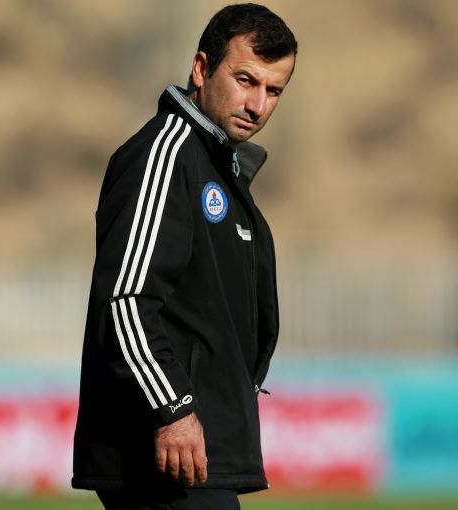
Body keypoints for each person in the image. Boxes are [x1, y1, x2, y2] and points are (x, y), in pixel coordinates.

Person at [72, 4, 297, 509]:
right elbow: (126, 301)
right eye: (245, 80)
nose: (258, 104)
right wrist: (172, 408)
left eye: (274, 90)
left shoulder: (220, 168)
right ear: (201, 68)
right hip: (160, 453)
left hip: (197, 451)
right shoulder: (166, 154)